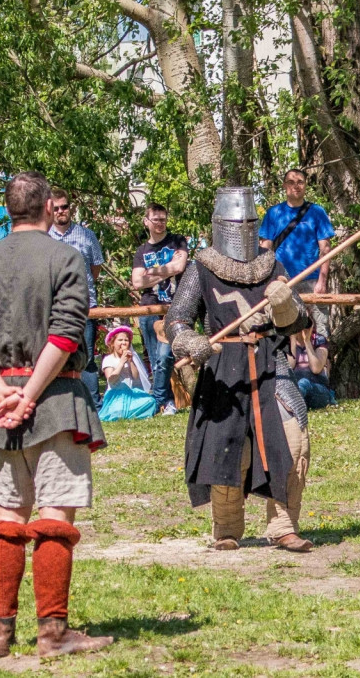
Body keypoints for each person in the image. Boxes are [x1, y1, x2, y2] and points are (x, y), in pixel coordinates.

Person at [0, 171, 112, 658]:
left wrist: (3, 392)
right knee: (54, 512)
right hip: (56, 400)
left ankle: (2, 633)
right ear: (46, 208)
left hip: (1, 407)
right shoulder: (66, 256)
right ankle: (53, 633)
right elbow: (65, 335)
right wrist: (29, 394)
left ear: (8, 210)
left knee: (9, 514)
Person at [166, 186, 314, 553]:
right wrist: (189, 342)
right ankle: (228, 527)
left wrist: (283, 307)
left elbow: (298, 322)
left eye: (250, 222)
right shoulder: (202, 269)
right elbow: (175, 321)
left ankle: (283, 525)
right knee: (227, 444)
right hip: (222, 366)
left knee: (292, 440)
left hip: (270, 362)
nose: (244, 229)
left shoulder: (272, 265)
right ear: (221, 225)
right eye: (238, 223)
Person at [258, 168, 336, 340]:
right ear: (285, 185)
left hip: (312, 280)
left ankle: (322, 365)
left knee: (320, 331)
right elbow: (265, 249)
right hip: (282, 282)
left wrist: (322, 281)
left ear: (306, 185)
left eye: (300, 182)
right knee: (284, 333)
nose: (296, 186)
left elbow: (325, 249)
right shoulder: (274, 213)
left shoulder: (317, 212)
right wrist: (266, 280)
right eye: (292, 182)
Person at [48, 187, 104, 406]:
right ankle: (60, 402)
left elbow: (95, 269)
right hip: (54, 307)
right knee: (55, 355)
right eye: (57, 208)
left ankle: (92, 404)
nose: (61, 211)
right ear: (49, 210)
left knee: (87, 356)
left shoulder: (86, 235)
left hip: (85, 304)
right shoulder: (44, 238)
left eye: (65, 207)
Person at [131, 202, 188, 415]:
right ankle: (165, 402)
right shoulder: (141, 251)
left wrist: (150, 272)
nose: (160, 223)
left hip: (174, 306)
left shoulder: (177, 241)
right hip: (148, 308)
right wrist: (166, 269)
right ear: (146, 221)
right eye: (155, 219)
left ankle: (157, 400)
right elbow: (137, 283)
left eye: (163, 219)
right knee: (155, 359)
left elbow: (180, 267)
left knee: (166, 356)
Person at [99, 324, 158, 422]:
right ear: (113, 343)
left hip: (130, 392)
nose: (123, 343)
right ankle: (126, 413)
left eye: (126, 340)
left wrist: (130, 362)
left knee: (150, 401)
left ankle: (130, 413)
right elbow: (111, 380)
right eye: (120, 340)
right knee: (118, 410)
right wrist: (122, 362)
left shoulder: (130, 358)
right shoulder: (108, 359)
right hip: (115, 394)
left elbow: (135, 377)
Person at [287, 320, 336, 410]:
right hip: (295, 389)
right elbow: (289, 367)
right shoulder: (287, 342)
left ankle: (293, 405)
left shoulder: (319, 340)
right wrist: (293, 339)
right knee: (298, 385)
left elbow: (316, 368)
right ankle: (296, 403)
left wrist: (307, 341)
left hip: (318, 390)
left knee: (304, 382)